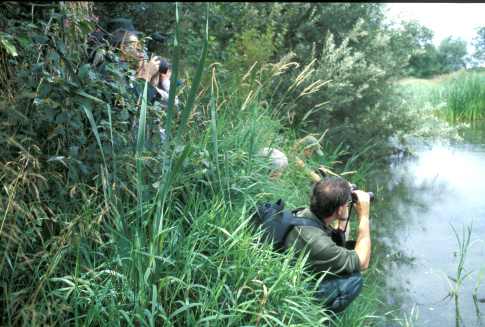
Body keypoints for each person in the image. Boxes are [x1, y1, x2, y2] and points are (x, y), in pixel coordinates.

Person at [283, 176, 372, 313]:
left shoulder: (303, 214)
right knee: (355, 280)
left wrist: (343, 210)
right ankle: (317, 314)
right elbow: (362, 262)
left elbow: (336, 238)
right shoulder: (320, 245)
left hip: (290, 264)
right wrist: (364, 215)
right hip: (293, 291)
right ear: (339, 210)